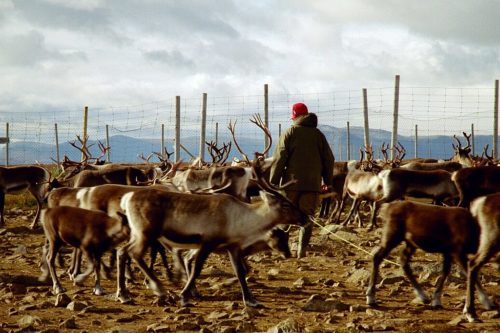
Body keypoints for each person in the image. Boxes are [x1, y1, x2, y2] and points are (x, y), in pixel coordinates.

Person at [270, 102, 335, 258]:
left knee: (284, 216)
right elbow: (329, 159)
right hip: (312, 185)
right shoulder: (318, 135)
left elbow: (280, 159)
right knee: (307, 218)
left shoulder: (289, 133)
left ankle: (282, 250)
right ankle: (301, 252)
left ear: (295, 116)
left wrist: (273, 182)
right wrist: (327, 181)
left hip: (290, 185)